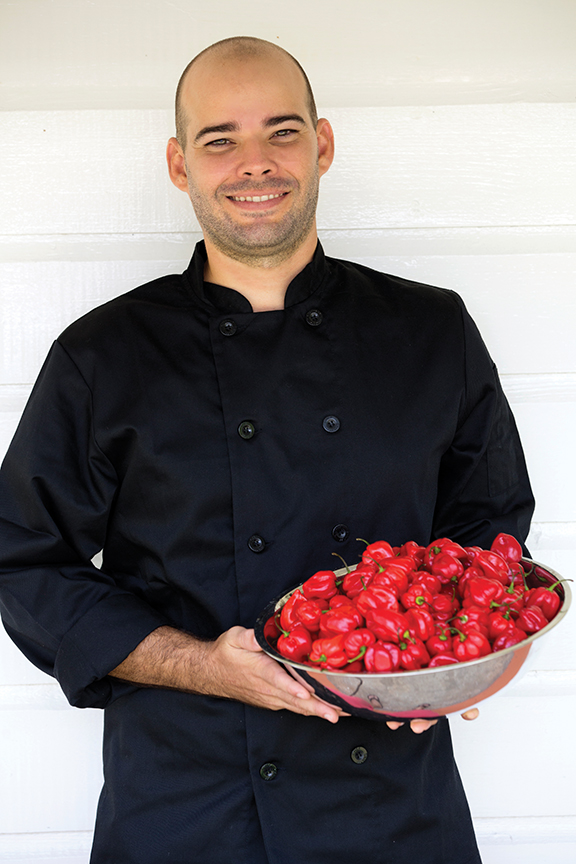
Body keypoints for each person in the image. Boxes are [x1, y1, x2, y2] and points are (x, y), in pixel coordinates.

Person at [0, 37, 534, 864]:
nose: (256, 163)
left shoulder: (431, 333)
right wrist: (206, 666)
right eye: (221, 140)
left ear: (321, 144)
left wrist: (448, 668)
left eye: (281, 133)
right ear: (180, 165)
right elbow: (25, 561)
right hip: (184, 810)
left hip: (390, 808)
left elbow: (487, 537)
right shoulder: (103, 356)